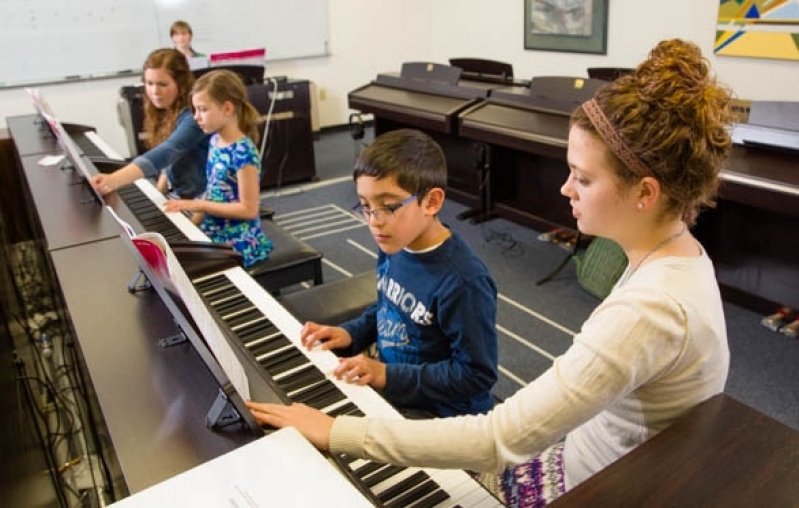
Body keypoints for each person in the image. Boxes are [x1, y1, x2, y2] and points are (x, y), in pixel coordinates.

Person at [246, 38, 733, 506]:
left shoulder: (650, 310)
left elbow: (499, 438)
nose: (566, 189)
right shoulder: (678, 257)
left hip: (593, 484)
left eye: (582, 177)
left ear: (646, 192)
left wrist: (335, 431)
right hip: (582, 453)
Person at [298, 128, 498, 417]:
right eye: (366, 207)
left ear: (431, 202)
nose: (374, 222)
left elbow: (475, 375)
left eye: (388, 207)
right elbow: (388, 307)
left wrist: (386, 375)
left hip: (444, 413)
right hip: (397, 385)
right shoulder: (395, 242)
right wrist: (350, 332)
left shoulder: (464, 282)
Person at [164, 70, 271, 269]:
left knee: (187, 271)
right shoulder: (215, 140)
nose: (196, 117)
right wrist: (189, 227)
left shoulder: (243, 153)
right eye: (195, 110)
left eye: (203, 109)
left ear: (227, 108)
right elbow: (213, 191)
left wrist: (199, 206)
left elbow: (249, 210)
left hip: (237, 241)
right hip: (213, 228)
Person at [91, 48, 208, 199]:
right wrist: (157, 197)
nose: (155, 91)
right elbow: (168, 167)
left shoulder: (194, 116)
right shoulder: (166, 109)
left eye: (163, 84)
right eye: (149, 83)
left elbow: (168, 150)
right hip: (178, 194)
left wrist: (113, 180)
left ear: (182, 84)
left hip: (199, 201)